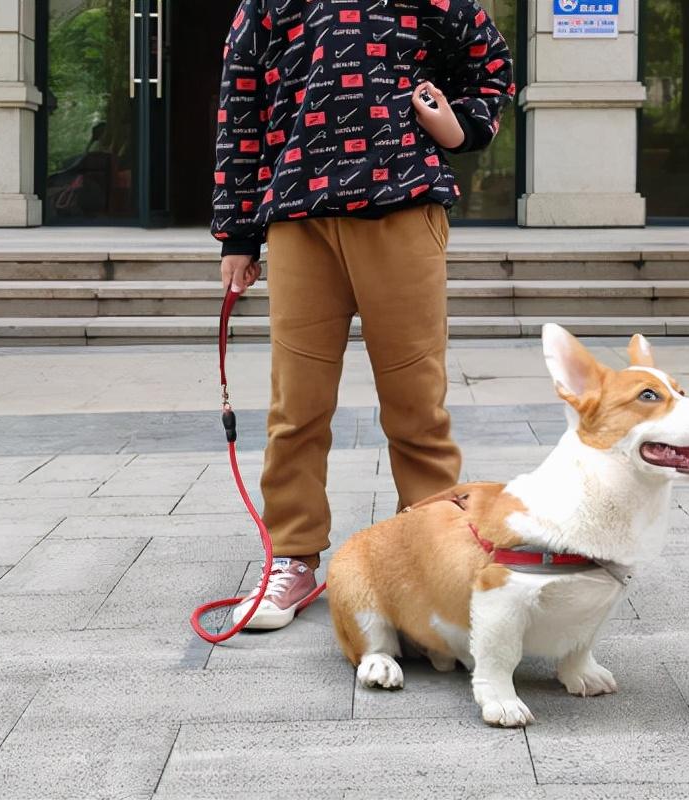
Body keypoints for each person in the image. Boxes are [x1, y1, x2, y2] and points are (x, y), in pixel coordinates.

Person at [212, 0, 514, 630]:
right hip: (299, 214)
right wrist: (238, 235)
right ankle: (292, 560)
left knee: (416, 405)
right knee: (296, 407)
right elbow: (240, 106)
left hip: (402, 206)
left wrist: (459, 130)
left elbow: (492, 65)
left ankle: (437, 557)